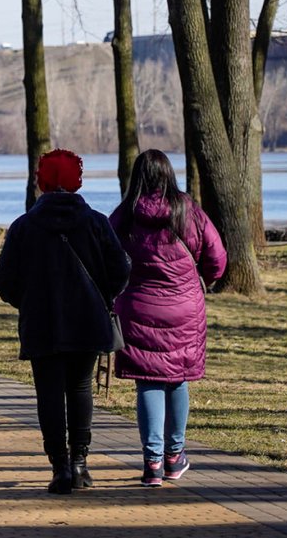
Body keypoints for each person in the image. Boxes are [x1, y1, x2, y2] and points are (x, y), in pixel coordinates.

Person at [0, 150, 130, 494]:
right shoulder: (96, 222)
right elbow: (121, 269)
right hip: (87, 319)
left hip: (42, 322)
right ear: (76, 180)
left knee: (49, 394)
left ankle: (59, 467)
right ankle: (80, 463)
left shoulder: (24, 226)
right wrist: (105, 297)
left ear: (41, 181)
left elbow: (5, 280)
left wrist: (26, 301)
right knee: (80, 388)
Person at [109, 149, 226, 487]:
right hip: (185, 308)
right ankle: (175, 457)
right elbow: (217, 259)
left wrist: (120, 285)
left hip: (138, 307)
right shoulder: (188, 211)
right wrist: (202, 277)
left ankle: (152, 463)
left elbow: (106, 254)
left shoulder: (126, 214)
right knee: (177, 378)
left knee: (147, 381)